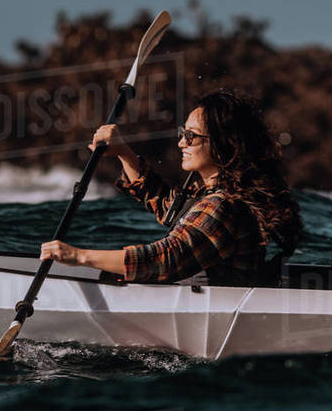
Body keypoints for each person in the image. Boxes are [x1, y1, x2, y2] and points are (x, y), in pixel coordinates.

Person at [40, 89, 303, 285]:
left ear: (225, 143)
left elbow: (166, 260)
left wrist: (79, 256)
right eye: (182, 133)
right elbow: (170, 207)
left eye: (191, 136)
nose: (181, 143)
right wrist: (124, 153)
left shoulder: (223, 206)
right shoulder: (212, 194)